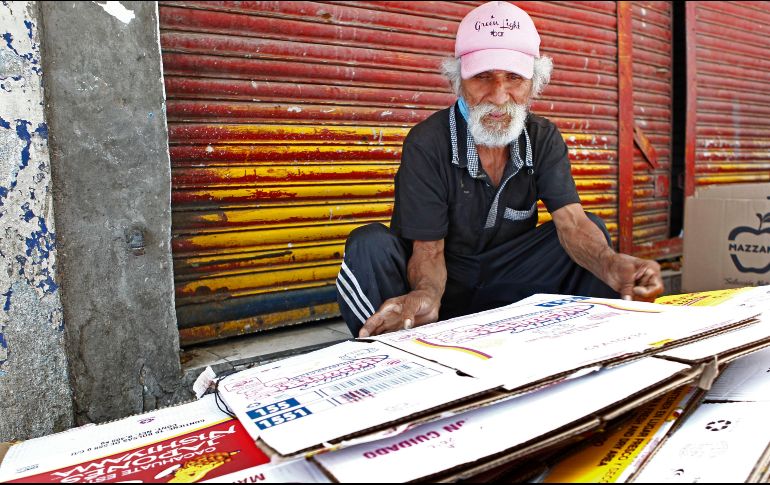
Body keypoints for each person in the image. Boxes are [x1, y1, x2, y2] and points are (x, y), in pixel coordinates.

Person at [336, 0, 664, 338]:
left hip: (512, 283)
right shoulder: (428, 142)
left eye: (514, 78)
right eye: (482, 77)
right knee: (369, 244)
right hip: (443, 286)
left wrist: (611, 265)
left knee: (591, 236)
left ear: (534, 82)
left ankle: (581, 347)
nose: (498, 95)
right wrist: (428, 295)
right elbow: (428, 250)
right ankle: (388, 346)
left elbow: (572, 223)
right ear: (458, 80)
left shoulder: (542, 137)